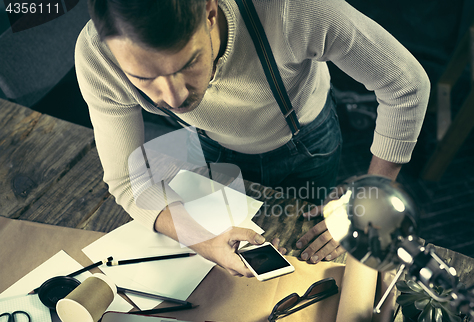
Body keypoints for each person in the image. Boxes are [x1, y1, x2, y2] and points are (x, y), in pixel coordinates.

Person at [75, 0, 430, 277]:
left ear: (210, 12)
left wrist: (373, 197)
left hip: (307, 143)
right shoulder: (98, 57)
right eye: (144, 77)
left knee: (308, 251)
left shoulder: (291, 9)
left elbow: (406, 85)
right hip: (214, 147)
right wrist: (202, 240)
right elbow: (127, 179)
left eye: (186, 64)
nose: (173, 97)